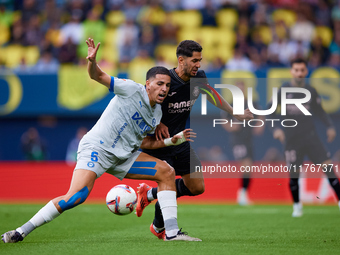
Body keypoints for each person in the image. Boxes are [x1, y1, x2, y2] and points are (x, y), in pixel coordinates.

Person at [1, 38, 201, 243]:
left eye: (167, 85)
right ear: (147, 84)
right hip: (97, 149)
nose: (164, 89)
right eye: (160, 84)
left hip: (125, 156)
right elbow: (98, 75)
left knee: (167, 172)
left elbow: (145, 144)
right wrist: (91, 61)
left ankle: (171, 233)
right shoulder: (130, 89)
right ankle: (21, 231)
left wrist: (171, 142)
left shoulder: (156, 114)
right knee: (75, 197)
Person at [137, 40, 253, 239]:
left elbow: (211, 95)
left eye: (200, 60)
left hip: (182, 141)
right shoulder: (166, 79)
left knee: (197, 187)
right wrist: (157, 123)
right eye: (194, 60)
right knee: (169, 182)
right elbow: (143, 102)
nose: (198, 64)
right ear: (181, 60)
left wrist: (234, 112)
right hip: (162, 142)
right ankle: (161, 228)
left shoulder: (198, 77)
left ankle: (149, 195)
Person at [272, 58, 340, 217]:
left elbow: (320, 111)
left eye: (302, 70)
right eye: (296, 70)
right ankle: (297, 206)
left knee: (328, 169)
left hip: (311, 137)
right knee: (294, 175)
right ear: (291, 71)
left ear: (306, 71)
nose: (299, 73)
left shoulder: (311, 90)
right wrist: (275, 128)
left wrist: (329, 126)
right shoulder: (283, 90)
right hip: (292, 139)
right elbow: (270, 111)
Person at [221, 81, 264, 205]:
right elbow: (224, 120)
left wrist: (259, 126)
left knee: (249, 167)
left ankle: (243, 193)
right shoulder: (231, 105)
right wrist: (231, 126)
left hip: (248, 139)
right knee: (246, 165)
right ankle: (242, 194)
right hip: (238, 140)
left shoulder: (251, 103)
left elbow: (261, 115)